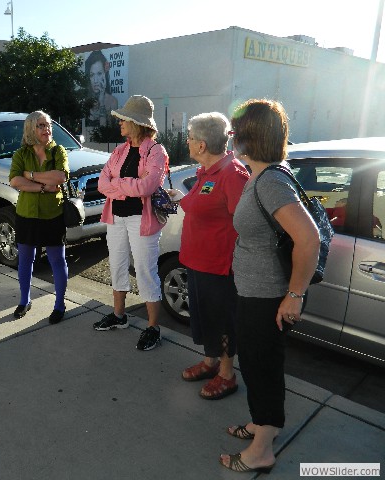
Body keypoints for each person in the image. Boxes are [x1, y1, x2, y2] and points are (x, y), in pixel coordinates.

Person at [219, 99, 319, 473]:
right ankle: (261, 426)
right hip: (253, 291)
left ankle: (262, 450)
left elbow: (308, 239)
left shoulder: (272, 182)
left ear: (249, 136)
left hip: (267, 297)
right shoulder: (262, 176)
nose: (230, 138)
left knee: (262, 368)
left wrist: (294, 295)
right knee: (256, 363)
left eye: (234, 131)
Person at [168, 112, 249, 399]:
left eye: (189, 138)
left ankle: (227, 375)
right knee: (205, 319)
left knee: (222, 322)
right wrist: (181, 199)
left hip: (219, 267)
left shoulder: (232, 174)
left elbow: (245, 225)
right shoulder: (207, 172)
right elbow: (201, 202)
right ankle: (211, 362)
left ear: (201, 145)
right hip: (198, 262)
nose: (187, 143)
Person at [95, 95, 168, 351]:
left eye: (123, 120)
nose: (120, 124)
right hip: (116, 217)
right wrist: (129, 188)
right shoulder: (120, 150)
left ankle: (153, 327)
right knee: (117, 265)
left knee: (146, 271)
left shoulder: (156, 151)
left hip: (142, 219)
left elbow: (149, 186)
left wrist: (119, 185)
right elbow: (101, 184)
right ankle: (119, 315)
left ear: (136, 122)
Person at [8, 111, 69, 324]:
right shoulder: (21, 154)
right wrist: (44, 187)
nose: (47, 129)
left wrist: (30, 176)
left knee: (57, 260)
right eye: (41, 125)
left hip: (53, 214)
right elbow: (15, 181)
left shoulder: (58, 151)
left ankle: (60, 304)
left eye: (49, 125)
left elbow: (60, 177)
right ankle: (25, 300)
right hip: (26, 214)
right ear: (31, 129)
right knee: (25, 259)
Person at [85, 50, 118, 127]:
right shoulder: (84, 101)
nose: (96, 80)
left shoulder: (112, 101)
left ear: (105, 74)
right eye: (92, 75)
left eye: (99, 74)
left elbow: (106, 129)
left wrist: (102, 101)